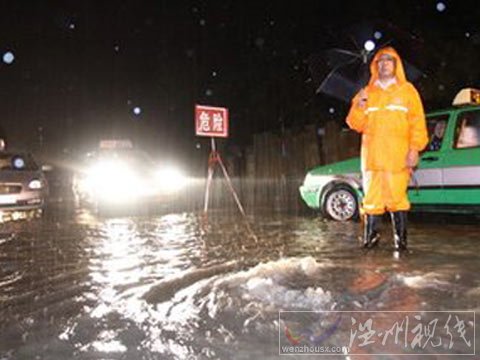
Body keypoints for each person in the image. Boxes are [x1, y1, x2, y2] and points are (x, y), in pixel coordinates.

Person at [346, 47, 428, 251]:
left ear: (396, 64)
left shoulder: (407, 91)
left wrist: (414, 149)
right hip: (372, 159)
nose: (384, 64)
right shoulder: (366, 92)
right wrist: (360, 105)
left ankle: (401, 245)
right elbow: (354, 124)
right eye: (380, 61)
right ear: (375, 66)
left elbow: (417, 123)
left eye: (388, 60)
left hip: (397, 158)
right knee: (371, 201)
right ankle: (370, 244)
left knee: (397, 200)